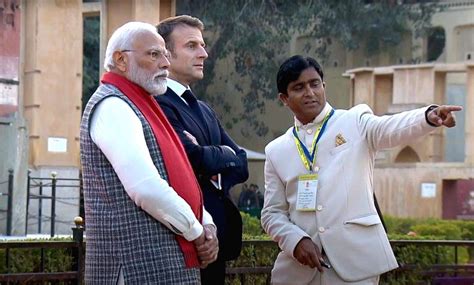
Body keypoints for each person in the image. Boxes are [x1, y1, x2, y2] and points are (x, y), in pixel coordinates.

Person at [261, 55, 462, 285]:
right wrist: (295, 241)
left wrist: (428, 116)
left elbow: (389, 128)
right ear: (284, 98)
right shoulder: (276, 150)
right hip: (298, 272)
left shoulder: (354, 121)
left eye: (314, 84)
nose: (310, 92)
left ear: (324, 86)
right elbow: (271, 214)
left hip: (355, 266)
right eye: (299, 87)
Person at [80, 22, 218, 284]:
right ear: (121, 60)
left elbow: (181, 179)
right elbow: (146, 188)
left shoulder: (144, 104)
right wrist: (197, 230)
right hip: (132, 270)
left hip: (163, 266)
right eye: (154, 54)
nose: (165, 63)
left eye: (165, 54)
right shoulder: (113, 105)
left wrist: (207, 225)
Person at [156, 15, 249, 284]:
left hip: (217, 240)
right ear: (166, 54)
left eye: (203, 45)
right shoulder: (158, 105)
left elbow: (242, 164)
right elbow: (192, 159)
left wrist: (213, 157)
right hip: (183, 242)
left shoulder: (204, 109)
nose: (204, 53)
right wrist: (221, 156)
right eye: (192, 46)